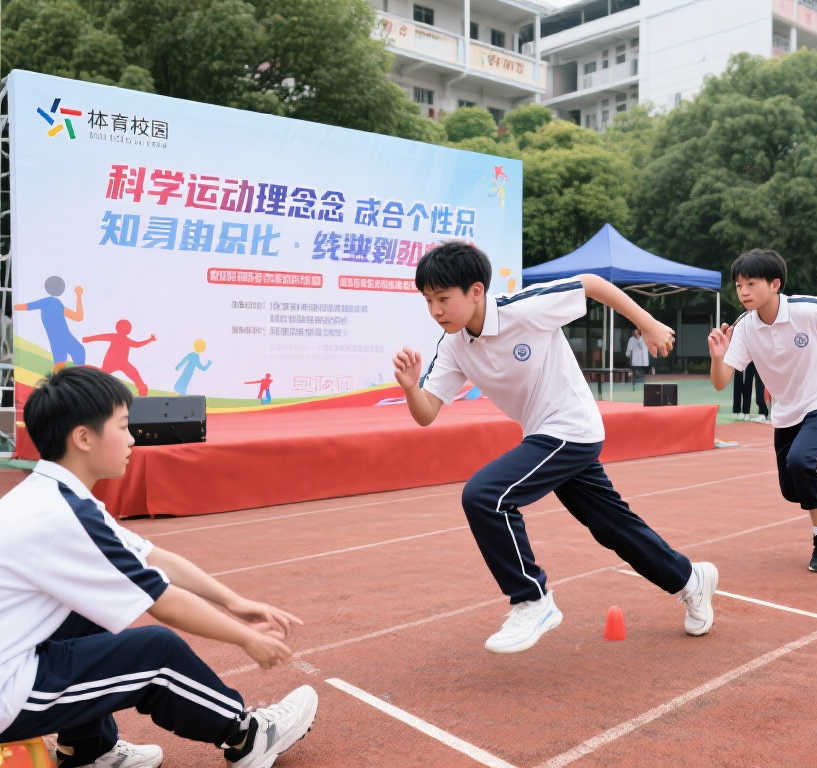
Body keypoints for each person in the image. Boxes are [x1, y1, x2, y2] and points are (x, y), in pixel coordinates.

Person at [392, 242, 717, 653]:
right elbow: (426, 413)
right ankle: (690, 579)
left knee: (485, 495)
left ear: (476, 291)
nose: (436, 310)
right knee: (612, 526)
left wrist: (649, 323)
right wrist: (411, 388)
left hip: (571, 426)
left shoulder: (523, 309)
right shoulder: (454, 345)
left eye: (443, 299)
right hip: (545, 435)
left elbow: (591, 284)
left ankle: (532, 600)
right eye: (428, 301)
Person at [0, 366, 318, 768]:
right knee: (155, 653)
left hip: (15, 659)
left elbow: (151, 557)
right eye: (123, 427)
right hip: (8, 691)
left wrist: (235, 603)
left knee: (90, 610)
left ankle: (89, 750)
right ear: (83, 438)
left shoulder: (50, 495)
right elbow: (163, 601)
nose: (133, 439)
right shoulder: (62, 515)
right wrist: (246, 638)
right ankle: (246, 737)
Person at [708, 249, 817, 572]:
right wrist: (718, 356)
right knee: (792, 489)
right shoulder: (744, 327)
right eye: (738, 285)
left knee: (802, 461)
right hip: (788, 410)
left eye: (751, 284)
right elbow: (720, 382)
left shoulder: (805, 309)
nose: (743, 292)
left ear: (775, 284)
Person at [14, 277, 85, 371]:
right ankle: (75, 376)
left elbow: (78, 317)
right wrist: (78, 295)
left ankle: (78, 376)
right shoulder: (50, 302)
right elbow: (27, 306)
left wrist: (79, 295)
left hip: (62, 337)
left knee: (74, 354)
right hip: (59, 338)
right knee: (65, 360)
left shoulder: (56, 303)